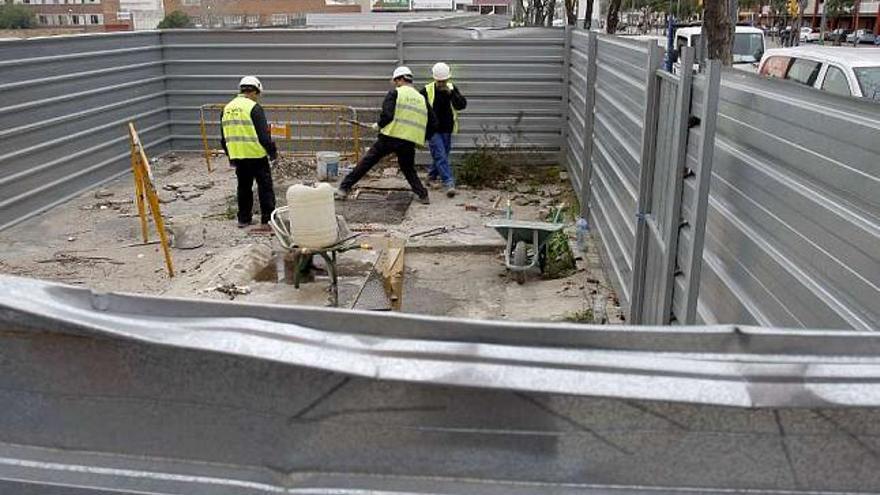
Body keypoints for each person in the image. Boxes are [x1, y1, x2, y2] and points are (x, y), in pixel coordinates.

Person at [337, 66, 436, 204]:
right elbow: (433, 123)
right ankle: (423, 195)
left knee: (367, 162)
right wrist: (421, 137)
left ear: (400, 79)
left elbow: (388, 115)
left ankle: (344, 188)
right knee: (408, 170)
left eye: (396, 81)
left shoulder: (395, 94)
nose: (395, 84)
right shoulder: (421, 99)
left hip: (389, 137)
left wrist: (378, 125)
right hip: (408, 141)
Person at [220, 76, 278, 231]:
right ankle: (268, 221)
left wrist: (230, 155)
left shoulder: (227, 108)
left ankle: (244, 219)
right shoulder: (254, 108)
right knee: (265, 187)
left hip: (238, 156)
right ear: (255, 91)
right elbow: (264, 136)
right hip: (256, 155)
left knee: (244, 187)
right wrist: (272, 152)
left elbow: (223, 138)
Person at [421, 62, 467, 198]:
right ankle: (449, 183)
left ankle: (430, 177)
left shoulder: (452, 89)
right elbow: (417, 105)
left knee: (442, 155)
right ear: (435, 79)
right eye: (439, 81)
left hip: (447, 129)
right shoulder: (427, 90)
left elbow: (462, 105)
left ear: (448, 79)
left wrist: (452, 94)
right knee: (441, 155)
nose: (442, 83)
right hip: (432, 130)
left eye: (444, 81)